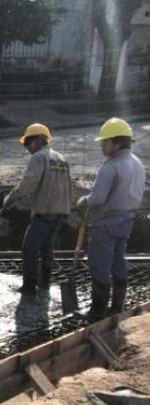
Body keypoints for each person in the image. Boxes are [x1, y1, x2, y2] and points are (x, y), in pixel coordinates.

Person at [78, 118, 145, 322]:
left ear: (117, 143)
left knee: (99, 264)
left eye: (105, 141)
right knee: (118, 261)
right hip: (126, 221)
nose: (101, 145)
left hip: (105, 223)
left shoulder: (111, 166)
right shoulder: (137, 163)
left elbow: (97, 198)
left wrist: (83, 201)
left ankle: (97, 311)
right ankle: (118, 306)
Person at [4, 123, 72, 295]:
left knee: (30, 248)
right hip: (61, 212)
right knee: (47, 247)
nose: (27, 147)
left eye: (28, 142)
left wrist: (11, 197)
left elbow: (28, 184)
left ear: (39, 139)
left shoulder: (39, 157)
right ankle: (45, 283)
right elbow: (68, 186)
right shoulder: (61, 158)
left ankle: (29, 287)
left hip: (44, 211)